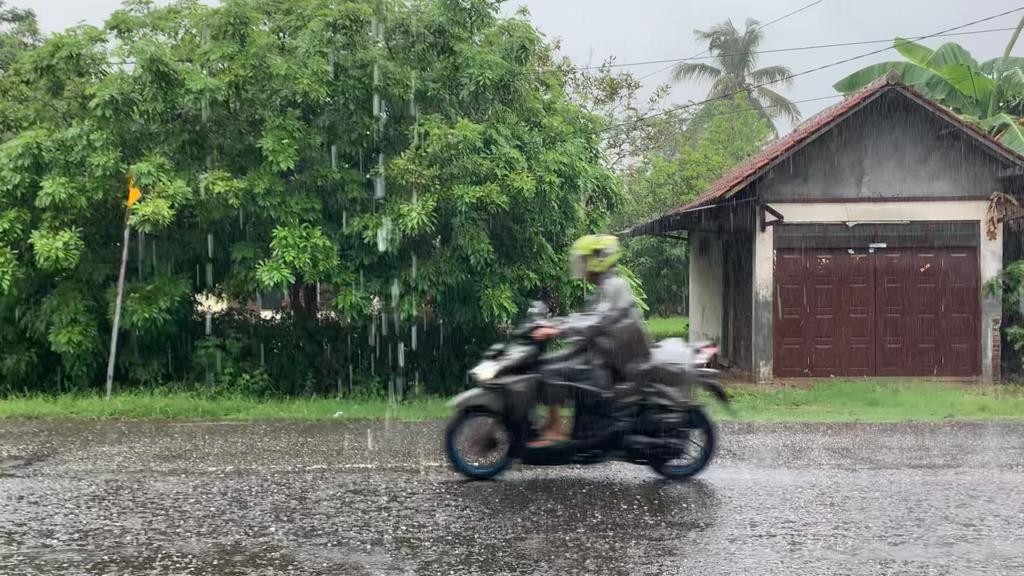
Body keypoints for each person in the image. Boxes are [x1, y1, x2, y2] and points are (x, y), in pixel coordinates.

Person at [528, 234, 650, 447]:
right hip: (602, 357)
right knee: (549, 363)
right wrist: (556, 323)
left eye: (584, 260)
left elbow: (597, 323)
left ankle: (556, 429)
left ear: (598, 259)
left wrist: (556, 329)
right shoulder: (605, 288)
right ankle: (559, 426)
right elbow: (587, 319)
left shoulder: (614, 286)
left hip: (609, 365)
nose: (581, 266)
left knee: (551, 371)